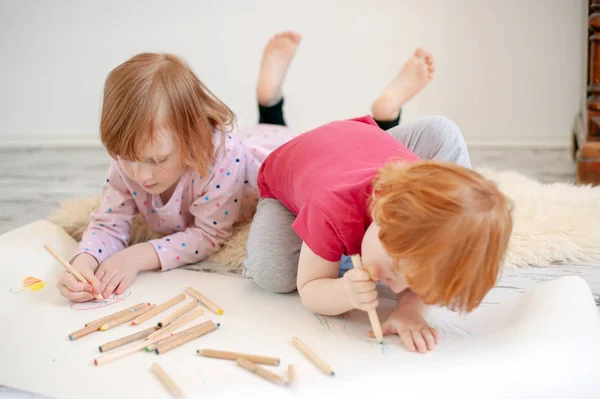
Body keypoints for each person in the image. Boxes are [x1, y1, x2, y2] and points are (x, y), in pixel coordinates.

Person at [243, 34, 513, 353]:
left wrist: (409, 308)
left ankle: (385, 114)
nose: (395, 287)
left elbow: (423, 257)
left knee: (443, 134)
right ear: (385, 215)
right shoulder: (332, 208)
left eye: (410, 284)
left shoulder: (414, 178)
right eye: (398, 272)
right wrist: (344, 292)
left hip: (365, 143)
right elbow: (311, 290)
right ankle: (368, 119)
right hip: (288, 173)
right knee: (272, 273)